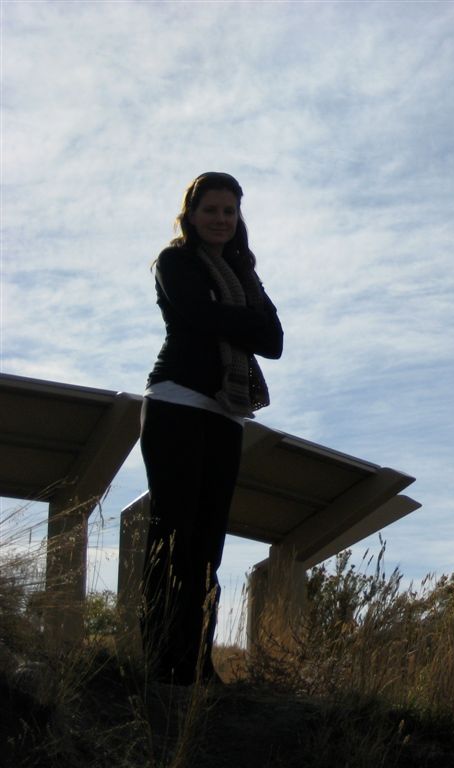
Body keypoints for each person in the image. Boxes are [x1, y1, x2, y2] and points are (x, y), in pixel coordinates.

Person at [140, 172, 283, 685]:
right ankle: (160, 663)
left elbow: (274, 341)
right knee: (173, 538)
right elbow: (196, 315)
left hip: (227, 412)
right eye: (212, 210)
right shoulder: (174, 262)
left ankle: (197, 664)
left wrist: (222, 316)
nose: (221, 220)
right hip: (176, 403)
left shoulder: (244, 272)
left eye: (230, 212)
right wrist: (236, 319)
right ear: (192, 214)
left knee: (208, 549)